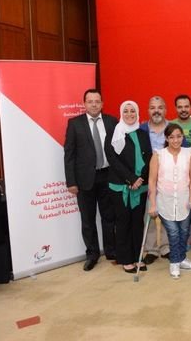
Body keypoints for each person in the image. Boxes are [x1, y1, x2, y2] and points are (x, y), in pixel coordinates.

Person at [64, 89, 117, 271]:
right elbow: (69, 154)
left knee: (109, 217)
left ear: (102, 103)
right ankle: (92, 254)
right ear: (84, 104)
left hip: (108, 176)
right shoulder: (74, 124)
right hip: (84, 179)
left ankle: (111, 250)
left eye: (97, 101)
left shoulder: (111, 122)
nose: (94, 104)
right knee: (88, 219)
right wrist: (71, 182)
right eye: (90, 101)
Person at [104, 101, 152, 273]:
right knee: (123, 221)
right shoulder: (114, 133)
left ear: (137, 113)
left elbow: (149, 157)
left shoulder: (142, 133)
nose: (130, 114)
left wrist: (140, 179)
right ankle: (125, 259)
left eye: (133, 111)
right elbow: (113, 159)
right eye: (126, 111)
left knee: (137, 222)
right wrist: (131, 179)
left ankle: (138, 257)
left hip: (140, 186)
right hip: (121, 186)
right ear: (121, 113)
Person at [148, 123, 191, 279]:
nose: (176, 140)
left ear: (182, 137)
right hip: (164, 201)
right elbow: (152, 181)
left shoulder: (189, 153)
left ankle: (182, 259)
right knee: (174, 232)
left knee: (184, 232)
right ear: (166, 138)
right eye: (172, 137)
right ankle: (174, 263)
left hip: (184, 200)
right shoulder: (158, 155)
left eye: (178, 136)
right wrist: (153, 204)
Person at [139, 96, 170, 264]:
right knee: (149, 213)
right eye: (152, 107)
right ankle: (151, 249)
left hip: (169, 178)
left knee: (166, 212)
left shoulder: (173, 128)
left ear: (165, 110)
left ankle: (166, 247)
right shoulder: (141, 129)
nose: (156, 111)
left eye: (159, 107)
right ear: (148, 110)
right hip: (147, 179)